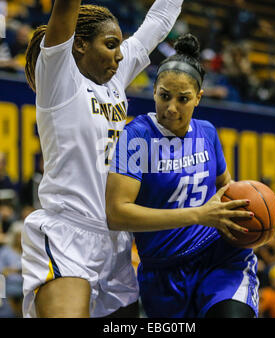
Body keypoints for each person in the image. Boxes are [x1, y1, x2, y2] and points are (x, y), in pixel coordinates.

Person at [21, 0, 185, 318]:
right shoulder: (58, 78)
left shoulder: (113, 79)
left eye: (119, 46)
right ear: (79, 44)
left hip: (115, 243)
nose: (120, 55)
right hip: (67, 232)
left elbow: (161, 19)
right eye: (110, 45)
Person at [106, 33, 260, 318]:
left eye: (183, 99)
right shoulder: (136, 136)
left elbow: (227, 189)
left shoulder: (207, 132)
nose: (172, 107)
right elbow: (117, 214)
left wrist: (257, 208)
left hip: (219, 259)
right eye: (164, 96)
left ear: (198, 98)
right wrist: (198, 215)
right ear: (154, 91)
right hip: (162, 273)